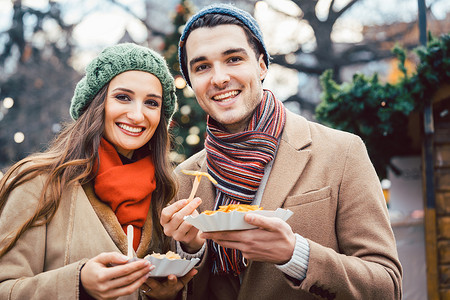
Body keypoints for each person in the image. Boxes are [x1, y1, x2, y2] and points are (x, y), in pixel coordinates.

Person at [160, 3, 402, 299]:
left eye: (234, 59)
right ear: (192, 81)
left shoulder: (342, 152)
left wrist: (295, 255)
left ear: (261, 66)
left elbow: (387, 286)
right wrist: (191, 252)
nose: (219, 78)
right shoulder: (184, 180)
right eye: (202, 67)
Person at [0, 43, 197, 300]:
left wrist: (164, 295)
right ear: (96, 102)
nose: (137, 115)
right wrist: (78, 284)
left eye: (151, 103)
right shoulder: (38, 183)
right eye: (123, 97)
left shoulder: (165, 194)